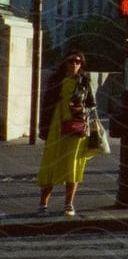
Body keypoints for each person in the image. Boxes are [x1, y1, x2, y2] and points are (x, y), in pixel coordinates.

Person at [37, 50, 96, 216]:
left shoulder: (84, 82)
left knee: (73, 164)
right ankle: (43, 204)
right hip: (56, 125)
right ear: (65, 63)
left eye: (78, 62)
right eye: (71, 61)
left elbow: (92, 104)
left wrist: (83, 109)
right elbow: (46, 106)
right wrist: (43, 129)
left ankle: (68, 204)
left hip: (76, 126)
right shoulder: (56, 81)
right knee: (51, 163)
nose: (75, 65)